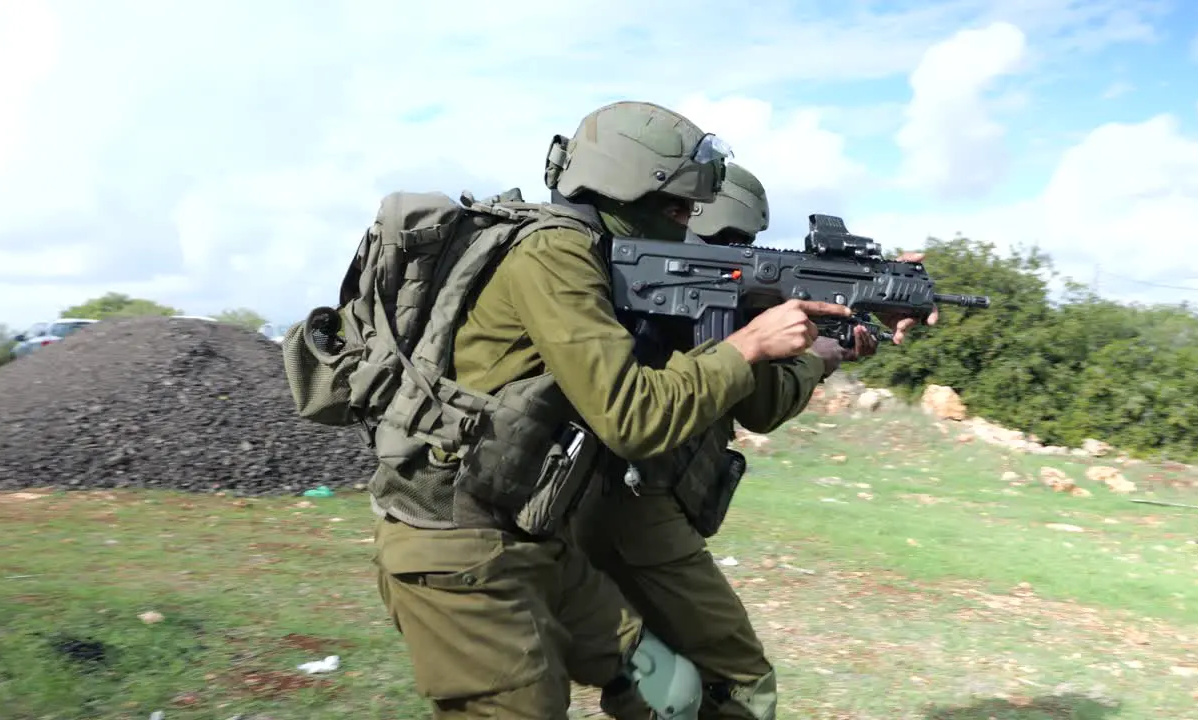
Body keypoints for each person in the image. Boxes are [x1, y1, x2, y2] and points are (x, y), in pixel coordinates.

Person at [364, 102, 862, 719]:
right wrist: (749, 345)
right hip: (461, 557)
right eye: (679, 209)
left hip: (535, 542)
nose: (688, 226)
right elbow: (631, 416)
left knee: (672, 692)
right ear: (631, 187)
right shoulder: (553, 255)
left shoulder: (596, 259)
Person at [569, 161, 934, 719]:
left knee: (655, 681)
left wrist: (857, 299)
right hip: (637, 509)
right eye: (739, 242)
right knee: (741, 681)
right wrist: (819, 358)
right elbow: (762, 407)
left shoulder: (629, 277)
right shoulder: (695, 294)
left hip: (594, 497)